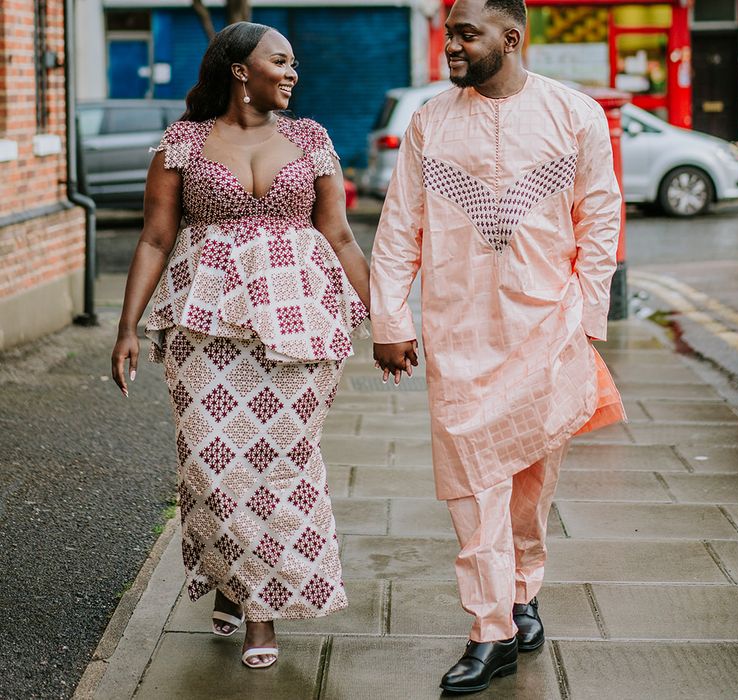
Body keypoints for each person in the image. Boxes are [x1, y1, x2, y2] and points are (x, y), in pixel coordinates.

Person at [370, 0, 624, 693]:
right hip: (458, 334)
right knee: (471, 482)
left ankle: (521, 593)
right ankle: (490, 630)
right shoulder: (430, 121)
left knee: (530, 486)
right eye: (448, 32)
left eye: (464, 34)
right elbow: (400, 229)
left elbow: (600, 218)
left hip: (549, 328)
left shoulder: (575, 115)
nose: (449, 46)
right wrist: (390, 319)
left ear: (510, 39)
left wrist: (585, 317)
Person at [111, 22, 369, 670]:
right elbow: (154, 237)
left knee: (280, 470)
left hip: (300, 327)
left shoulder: (312, 139)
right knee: (212, 465)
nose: (292, 72)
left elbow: (339, 236)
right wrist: (125, 328)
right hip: (207, 328)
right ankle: (233, 578)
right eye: (279, 61)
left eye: (294, 63)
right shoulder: (184, 143)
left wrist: (391, 321)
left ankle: (261, 610)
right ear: (237, 68)